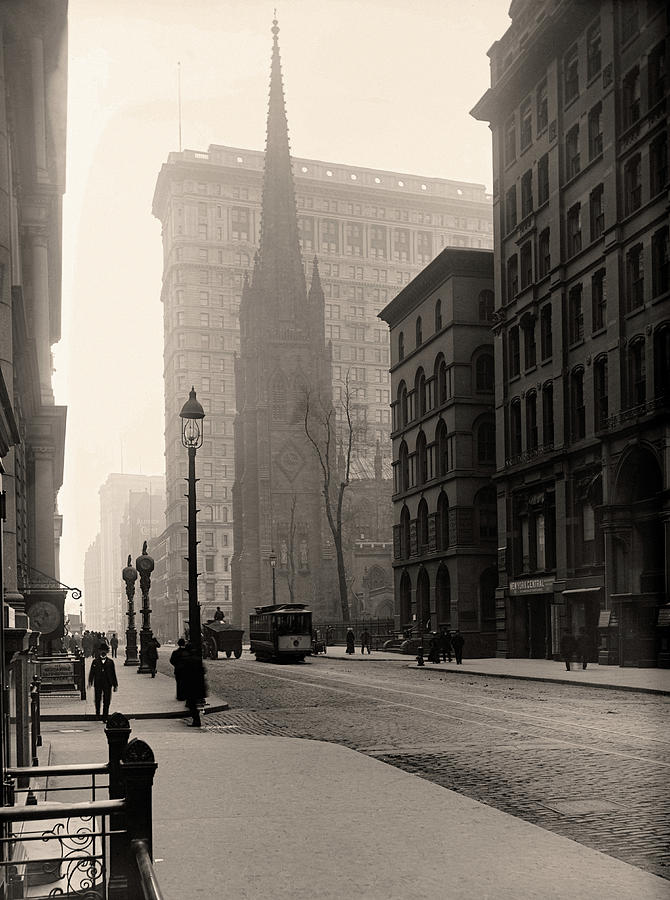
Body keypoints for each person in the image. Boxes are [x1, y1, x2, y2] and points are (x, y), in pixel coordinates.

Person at [88, 644, 118, 721]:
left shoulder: (110, 662)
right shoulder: (95, 661)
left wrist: (115, 685)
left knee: (107, 700)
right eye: (102, 650)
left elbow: (113, 673)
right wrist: (90, 682)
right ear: (99, 651)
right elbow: (92, 672)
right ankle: (97, 715)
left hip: (108, 683)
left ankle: (105, 716)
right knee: (97, 699)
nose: (103, 652)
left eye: (105, 650)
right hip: (98, 683)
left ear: (107, 652)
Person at [181, 642, 207, 727]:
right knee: (192, 704)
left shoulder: (187, 660)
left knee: (191, 705)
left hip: (191, 686)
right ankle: (196, 720)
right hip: (198, 685)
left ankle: (196, 721)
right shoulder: (197, 659)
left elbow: (184, 673)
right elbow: (203, 671)